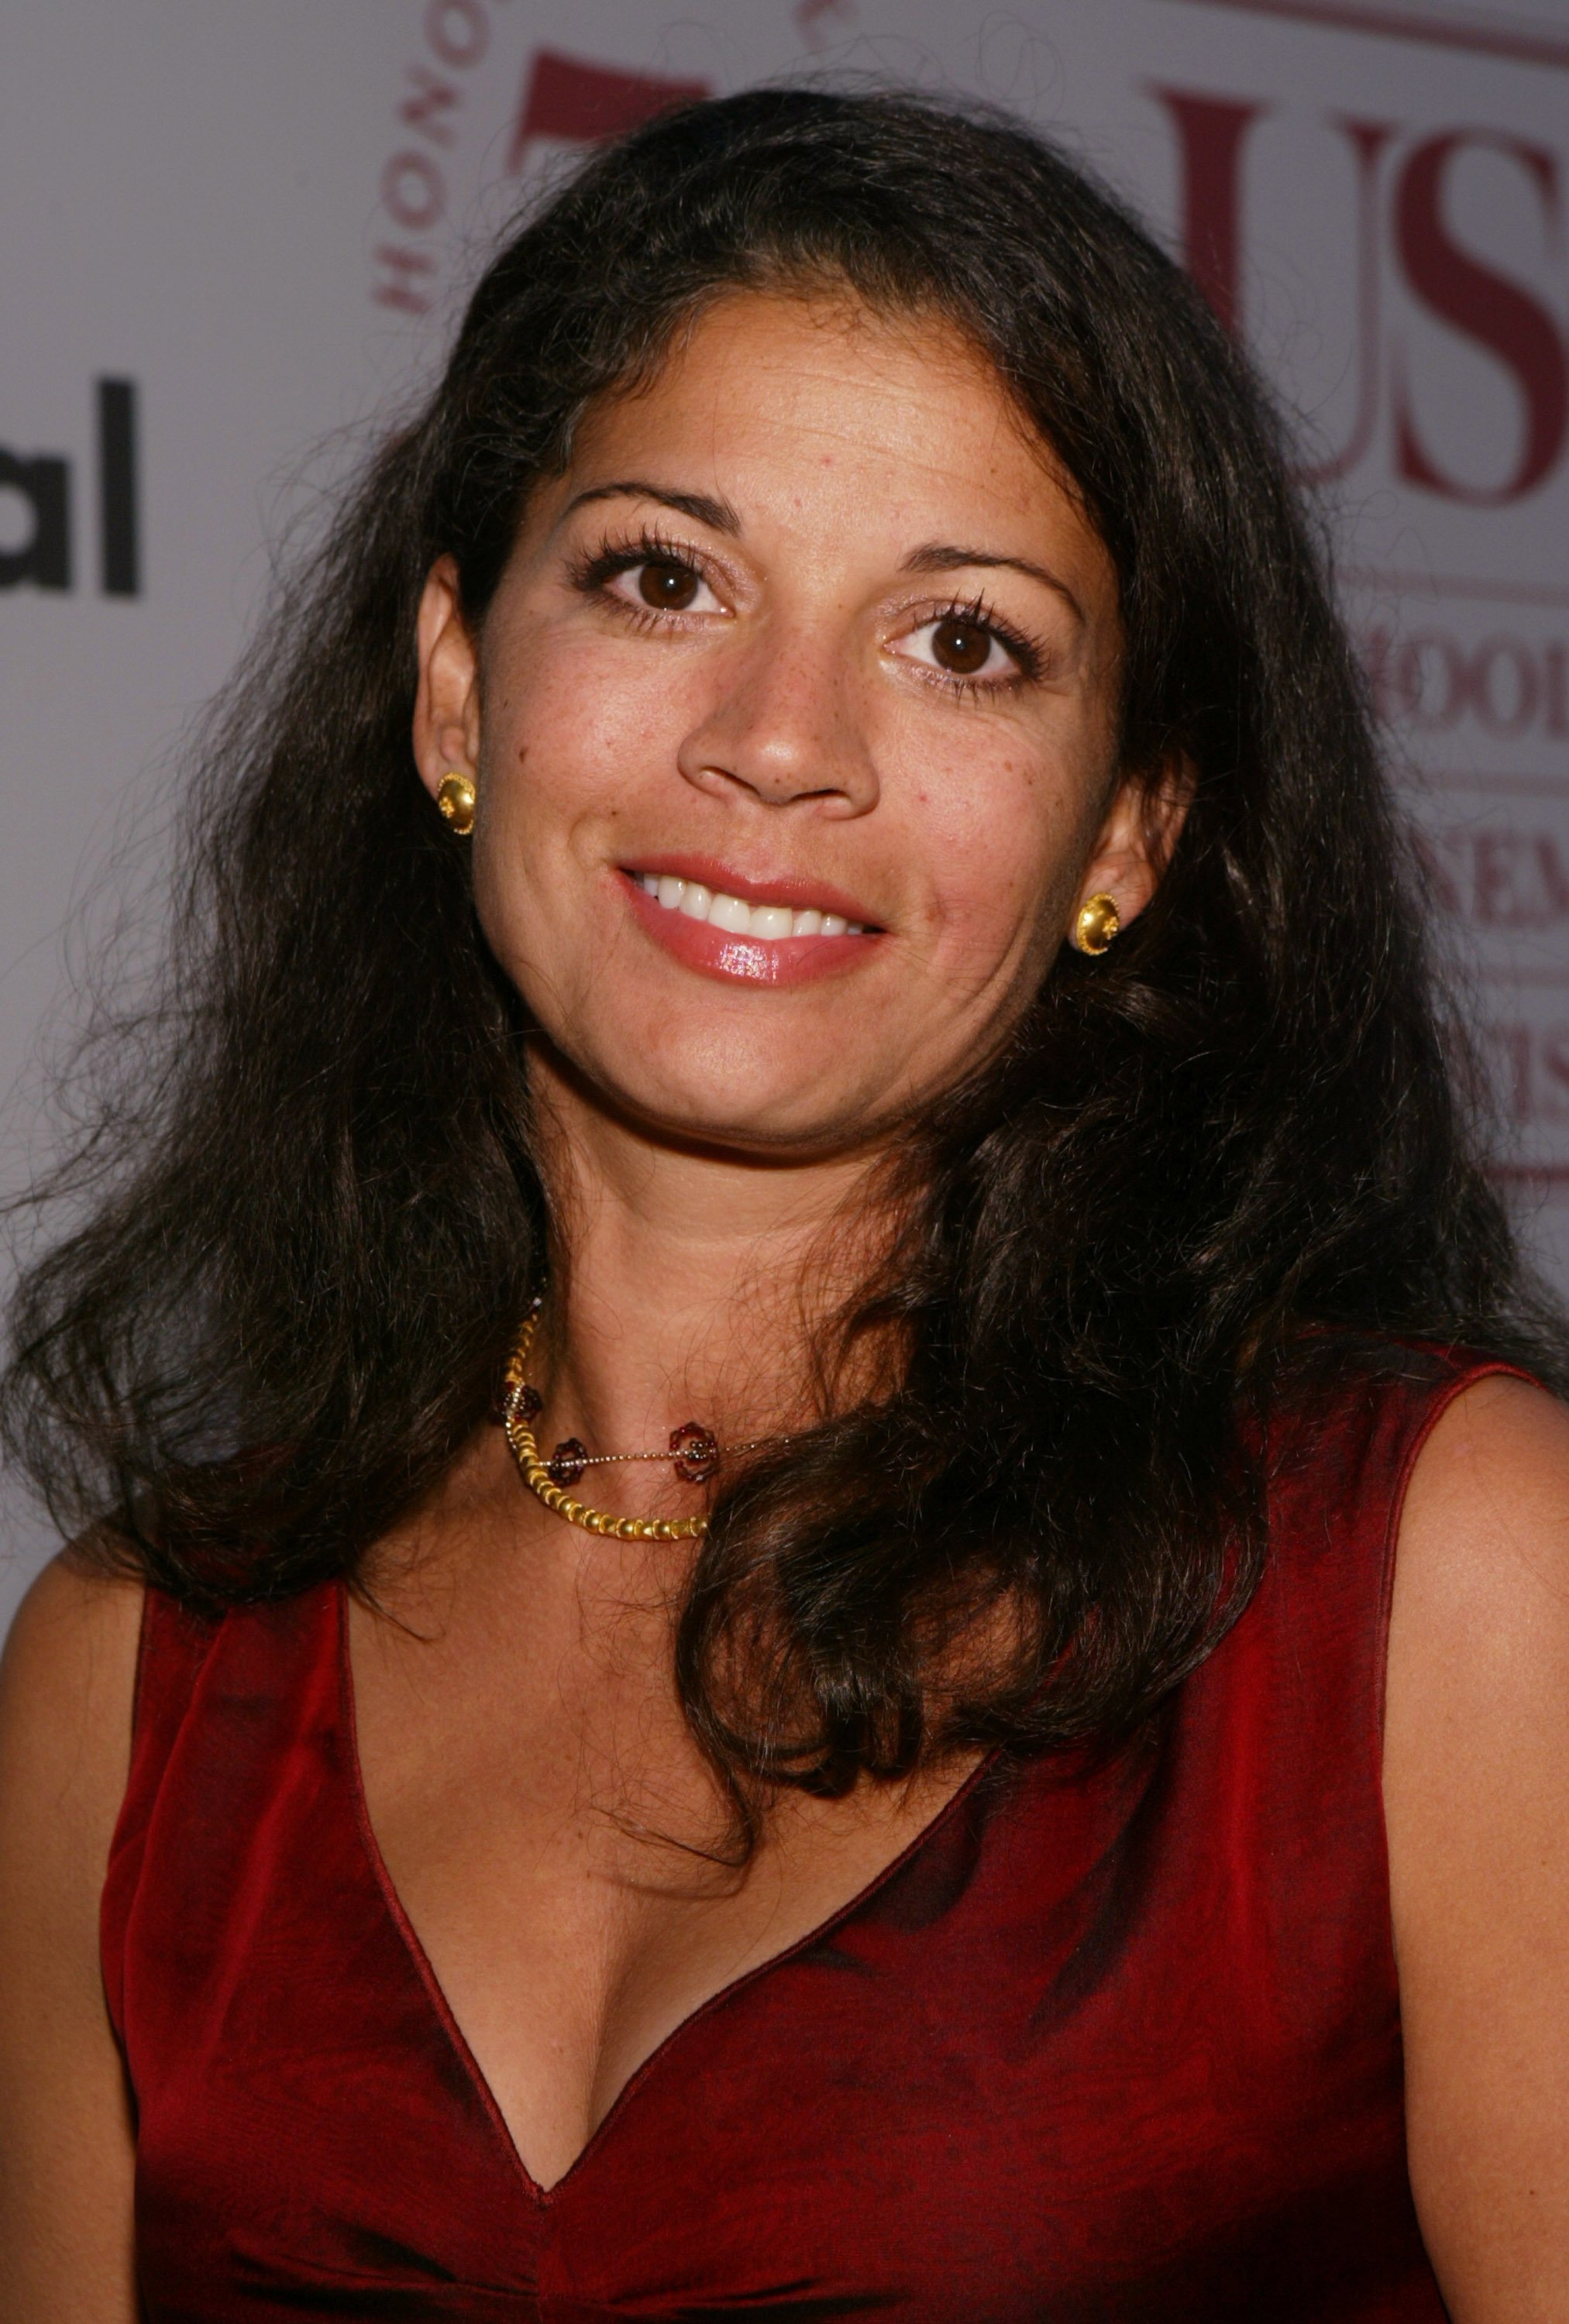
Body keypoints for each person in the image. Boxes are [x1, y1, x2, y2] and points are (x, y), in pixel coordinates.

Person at [1, 85, 1566, 2323]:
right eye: (663, 576)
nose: (778, 738)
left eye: (962, 642)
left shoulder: (1446, 1582)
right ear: (458, 681)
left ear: (1124, 830)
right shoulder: (128, 1681)